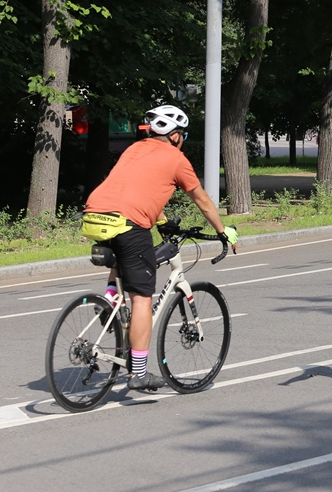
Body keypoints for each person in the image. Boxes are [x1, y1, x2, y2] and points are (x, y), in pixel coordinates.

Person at [83, 104, 238, 391]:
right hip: (129, 222)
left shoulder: (135, 149)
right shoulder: (176, 158)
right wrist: (222, 231)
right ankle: (139, 373)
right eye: (183, 134)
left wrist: (162, 219)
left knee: (125, 257)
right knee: (142, 298)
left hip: (95, 215)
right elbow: (202, 200)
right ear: (176, 135)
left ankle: (109, 299)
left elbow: (138, 187)